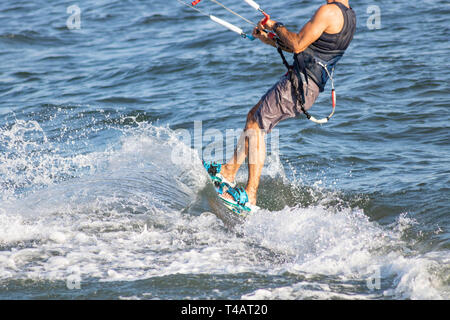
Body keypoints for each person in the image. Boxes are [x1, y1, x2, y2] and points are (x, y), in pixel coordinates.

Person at [204, 0, 356, 209]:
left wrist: (275, 25)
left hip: (300, 85)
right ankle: (228, 170)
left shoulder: (328, 11)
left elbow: (297, 44)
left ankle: (250, 195)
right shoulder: (349, 16)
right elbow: (306, 48)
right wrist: (268, 38)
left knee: (256, 127)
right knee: (253, 117)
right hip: (306, 85)